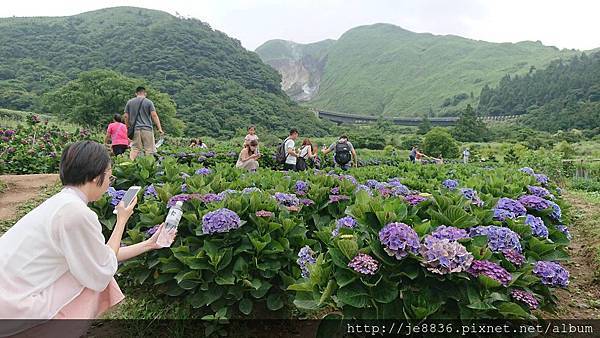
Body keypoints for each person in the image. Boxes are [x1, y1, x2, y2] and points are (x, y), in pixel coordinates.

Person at [0, 141, 175, 336]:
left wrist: (150, 244)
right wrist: (121, 220)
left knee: (90, 269)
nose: (110, 181)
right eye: (109, 175)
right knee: (96, 279)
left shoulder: (61, 202)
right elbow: (102, 266)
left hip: (8, 298)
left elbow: (99, 255)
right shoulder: (75, 213)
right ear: (95, 176)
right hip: (13, 307)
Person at [123, 86, 164, 160]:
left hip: (135, 129)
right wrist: (159, 128)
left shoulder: (129, 102)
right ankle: (148, 166)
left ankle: (129, 165)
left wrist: (127, 126)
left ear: (136, 93)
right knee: (149, 149)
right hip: (147, 129)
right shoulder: (148, 102)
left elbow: (125, 116)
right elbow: (154, 115)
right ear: (145, 93)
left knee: (135, 148)